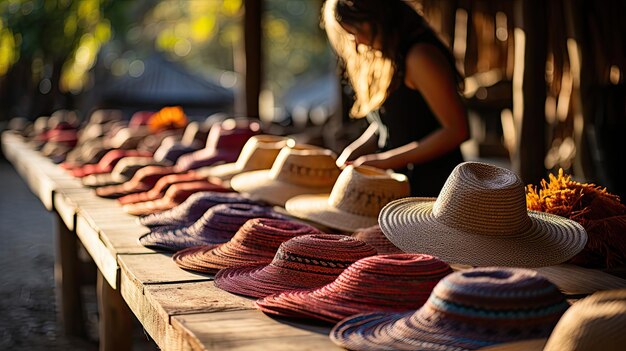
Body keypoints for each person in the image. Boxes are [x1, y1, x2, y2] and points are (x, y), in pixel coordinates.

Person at [323, 0, 469, 196]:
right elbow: (391, 123)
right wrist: (355, 150)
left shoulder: (420, 57)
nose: (356, 41)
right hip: (403, 186)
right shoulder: (390, 56)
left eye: (355, 31)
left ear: (377, 17)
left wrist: (384, 161)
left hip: (436, 190)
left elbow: (457, 131)